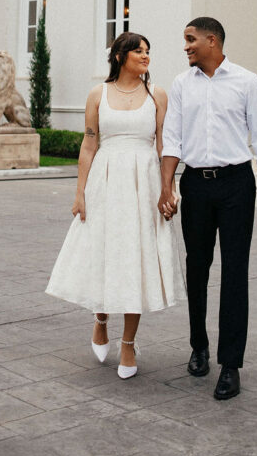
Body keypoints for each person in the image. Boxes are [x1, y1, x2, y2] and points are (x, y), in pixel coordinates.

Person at [46, 32, 186, 379]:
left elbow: (163, 146)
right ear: (121, 56)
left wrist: (169, 189)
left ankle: (128, 343)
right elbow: (89, 145)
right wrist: (79, 193)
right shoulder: (98, 94)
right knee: (105, 253)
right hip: (106, 182)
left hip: (144, 183)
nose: (146, 56)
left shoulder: (158, 95)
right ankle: (101, 318)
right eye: (139, 51)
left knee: (135, 259)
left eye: (148, 51)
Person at [158, 17, 257, 401]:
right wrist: (167, 187)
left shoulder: (245, 81)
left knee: (235, 272)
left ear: (213, 41)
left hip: (237, 185)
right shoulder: (181, 84)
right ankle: (199, 346)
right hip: (196, 185)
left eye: (191, 40)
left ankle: (230, 365)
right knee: (197, 267)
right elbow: (172, 138)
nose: (186, 46)